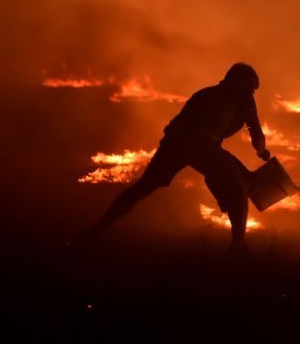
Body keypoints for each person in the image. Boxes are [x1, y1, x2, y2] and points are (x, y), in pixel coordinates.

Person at [80, 62, 270, 250]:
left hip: (179, 141)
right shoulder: (242, 101)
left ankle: (97, 229)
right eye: (251, 90)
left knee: (144, 187)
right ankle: (238, 247)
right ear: (242, 85)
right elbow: (256, 136)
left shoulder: (206, 94)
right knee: (240, 186)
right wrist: (261, 152)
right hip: (197, 144)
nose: (252, 95)